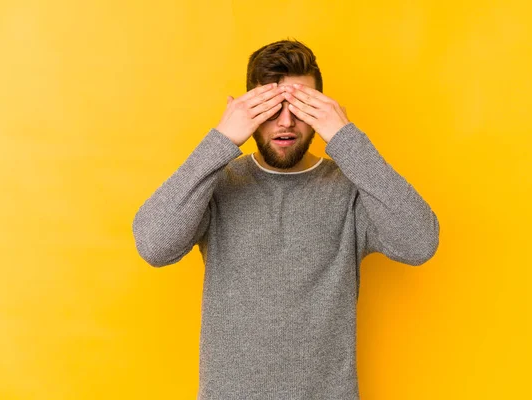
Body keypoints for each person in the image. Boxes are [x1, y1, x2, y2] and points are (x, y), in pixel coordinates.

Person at [132, 39, 440, 400]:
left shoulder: (350, 190)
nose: (286, 122)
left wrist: (346, 138)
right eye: (270, 107)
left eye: (302, 107)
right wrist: (221, 139)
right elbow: (153, 244)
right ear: (246, 110)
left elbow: (420, 242)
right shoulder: (219, 184)